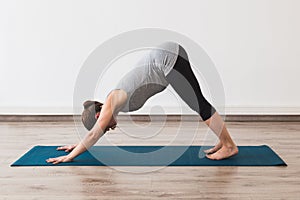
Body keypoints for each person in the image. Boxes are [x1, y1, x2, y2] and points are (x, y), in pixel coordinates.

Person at [46, 42, 238, 164]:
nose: (109, 129)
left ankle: (229, 146)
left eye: (105, 128)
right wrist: (76, 144)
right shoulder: (114, 103)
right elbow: (93, 134)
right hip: (168, 57)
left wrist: (70, 157)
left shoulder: (112, 100)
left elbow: (93, 134)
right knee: (199, 103)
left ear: (98, 116)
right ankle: (223, 141)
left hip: (167, 58)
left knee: (199, 105)